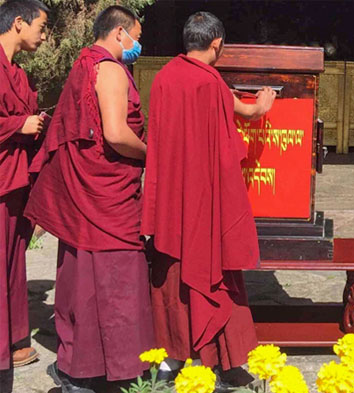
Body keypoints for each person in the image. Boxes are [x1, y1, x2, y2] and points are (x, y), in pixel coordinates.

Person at [141, 11, 276, 391]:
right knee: (215, 273)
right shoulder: (211, 82)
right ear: (216, 44)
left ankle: (171, 356)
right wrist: (260, 109)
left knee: (171, 275)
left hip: (172, 198)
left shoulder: (165, 77)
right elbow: (233, 138)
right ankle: (223, 360)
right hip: (206, 199)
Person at [24, 5, 154, 392]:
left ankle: (75, 365)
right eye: (136, 36)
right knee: (117, 282)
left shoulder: (84, 63)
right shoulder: (110, 69)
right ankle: (112, 366)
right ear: (119, 34)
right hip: (106, 195)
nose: (138, 45)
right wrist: (152, 153)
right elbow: (115, 134)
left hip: (90, 188)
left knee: (80, 281)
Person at [0, 0, 47, 388]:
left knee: (14, 261)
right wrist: (20, 124)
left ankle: (15, 339)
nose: (44, 35)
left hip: (15, 179)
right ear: (18, 23)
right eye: (41, 27)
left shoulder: (17, 72)